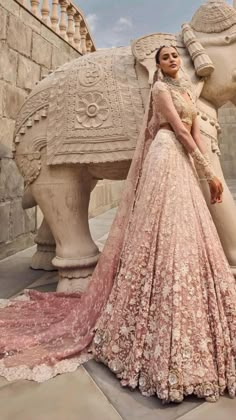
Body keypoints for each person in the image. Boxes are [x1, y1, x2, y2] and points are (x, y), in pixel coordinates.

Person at [0, 46, 235, 404]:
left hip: (185, 160)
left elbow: (197, 135)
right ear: (156, 65)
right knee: (162, 227)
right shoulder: (160, 90)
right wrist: (208, 171)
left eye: (175, 56)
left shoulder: (188, 91)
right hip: (166, 154)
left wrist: (205, 172)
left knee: (187, 227)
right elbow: (178, 131)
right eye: (166, 57)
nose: (172, 60)